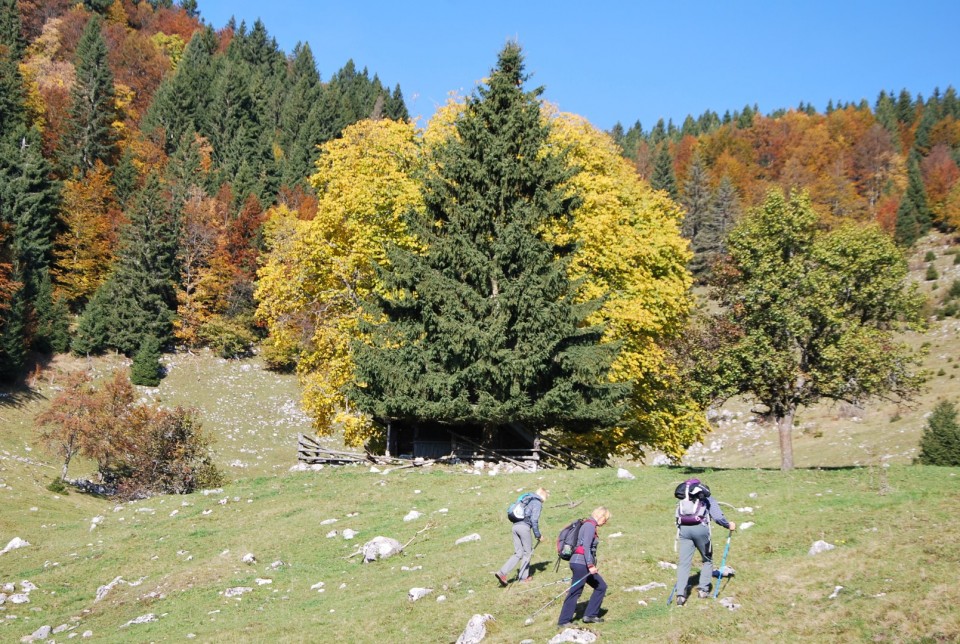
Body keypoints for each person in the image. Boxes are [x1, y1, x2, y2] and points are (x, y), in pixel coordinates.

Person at [672, 479, 736, 606]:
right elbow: (717, 517)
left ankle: (680, 595)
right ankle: (703, 590)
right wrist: (728, 525)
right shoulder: (706, 498)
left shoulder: (684, 500)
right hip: (700, 530)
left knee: (684, 563)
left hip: (684, 530)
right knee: (707, 559)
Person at [557, 506, 610, 626]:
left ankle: (590, 615)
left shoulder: (587, 524)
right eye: (605, 519)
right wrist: (590, 565)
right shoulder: (590, 526)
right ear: (600, 516)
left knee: (601, 586)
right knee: (575, 591)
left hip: (580, 562)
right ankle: (563, 621)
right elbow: (585, 546)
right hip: (581, 563)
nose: (605, 522)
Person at [494, 487, 548, 585]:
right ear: (543, 496)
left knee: (518, 553)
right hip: (524, 528)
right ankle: (523, 578)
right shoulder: (537, 502)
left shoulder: (527, 499)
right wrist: (538, 535)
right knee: (527, 553)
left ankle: (502, 573)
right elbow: (534, 520)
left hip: (515, 526)